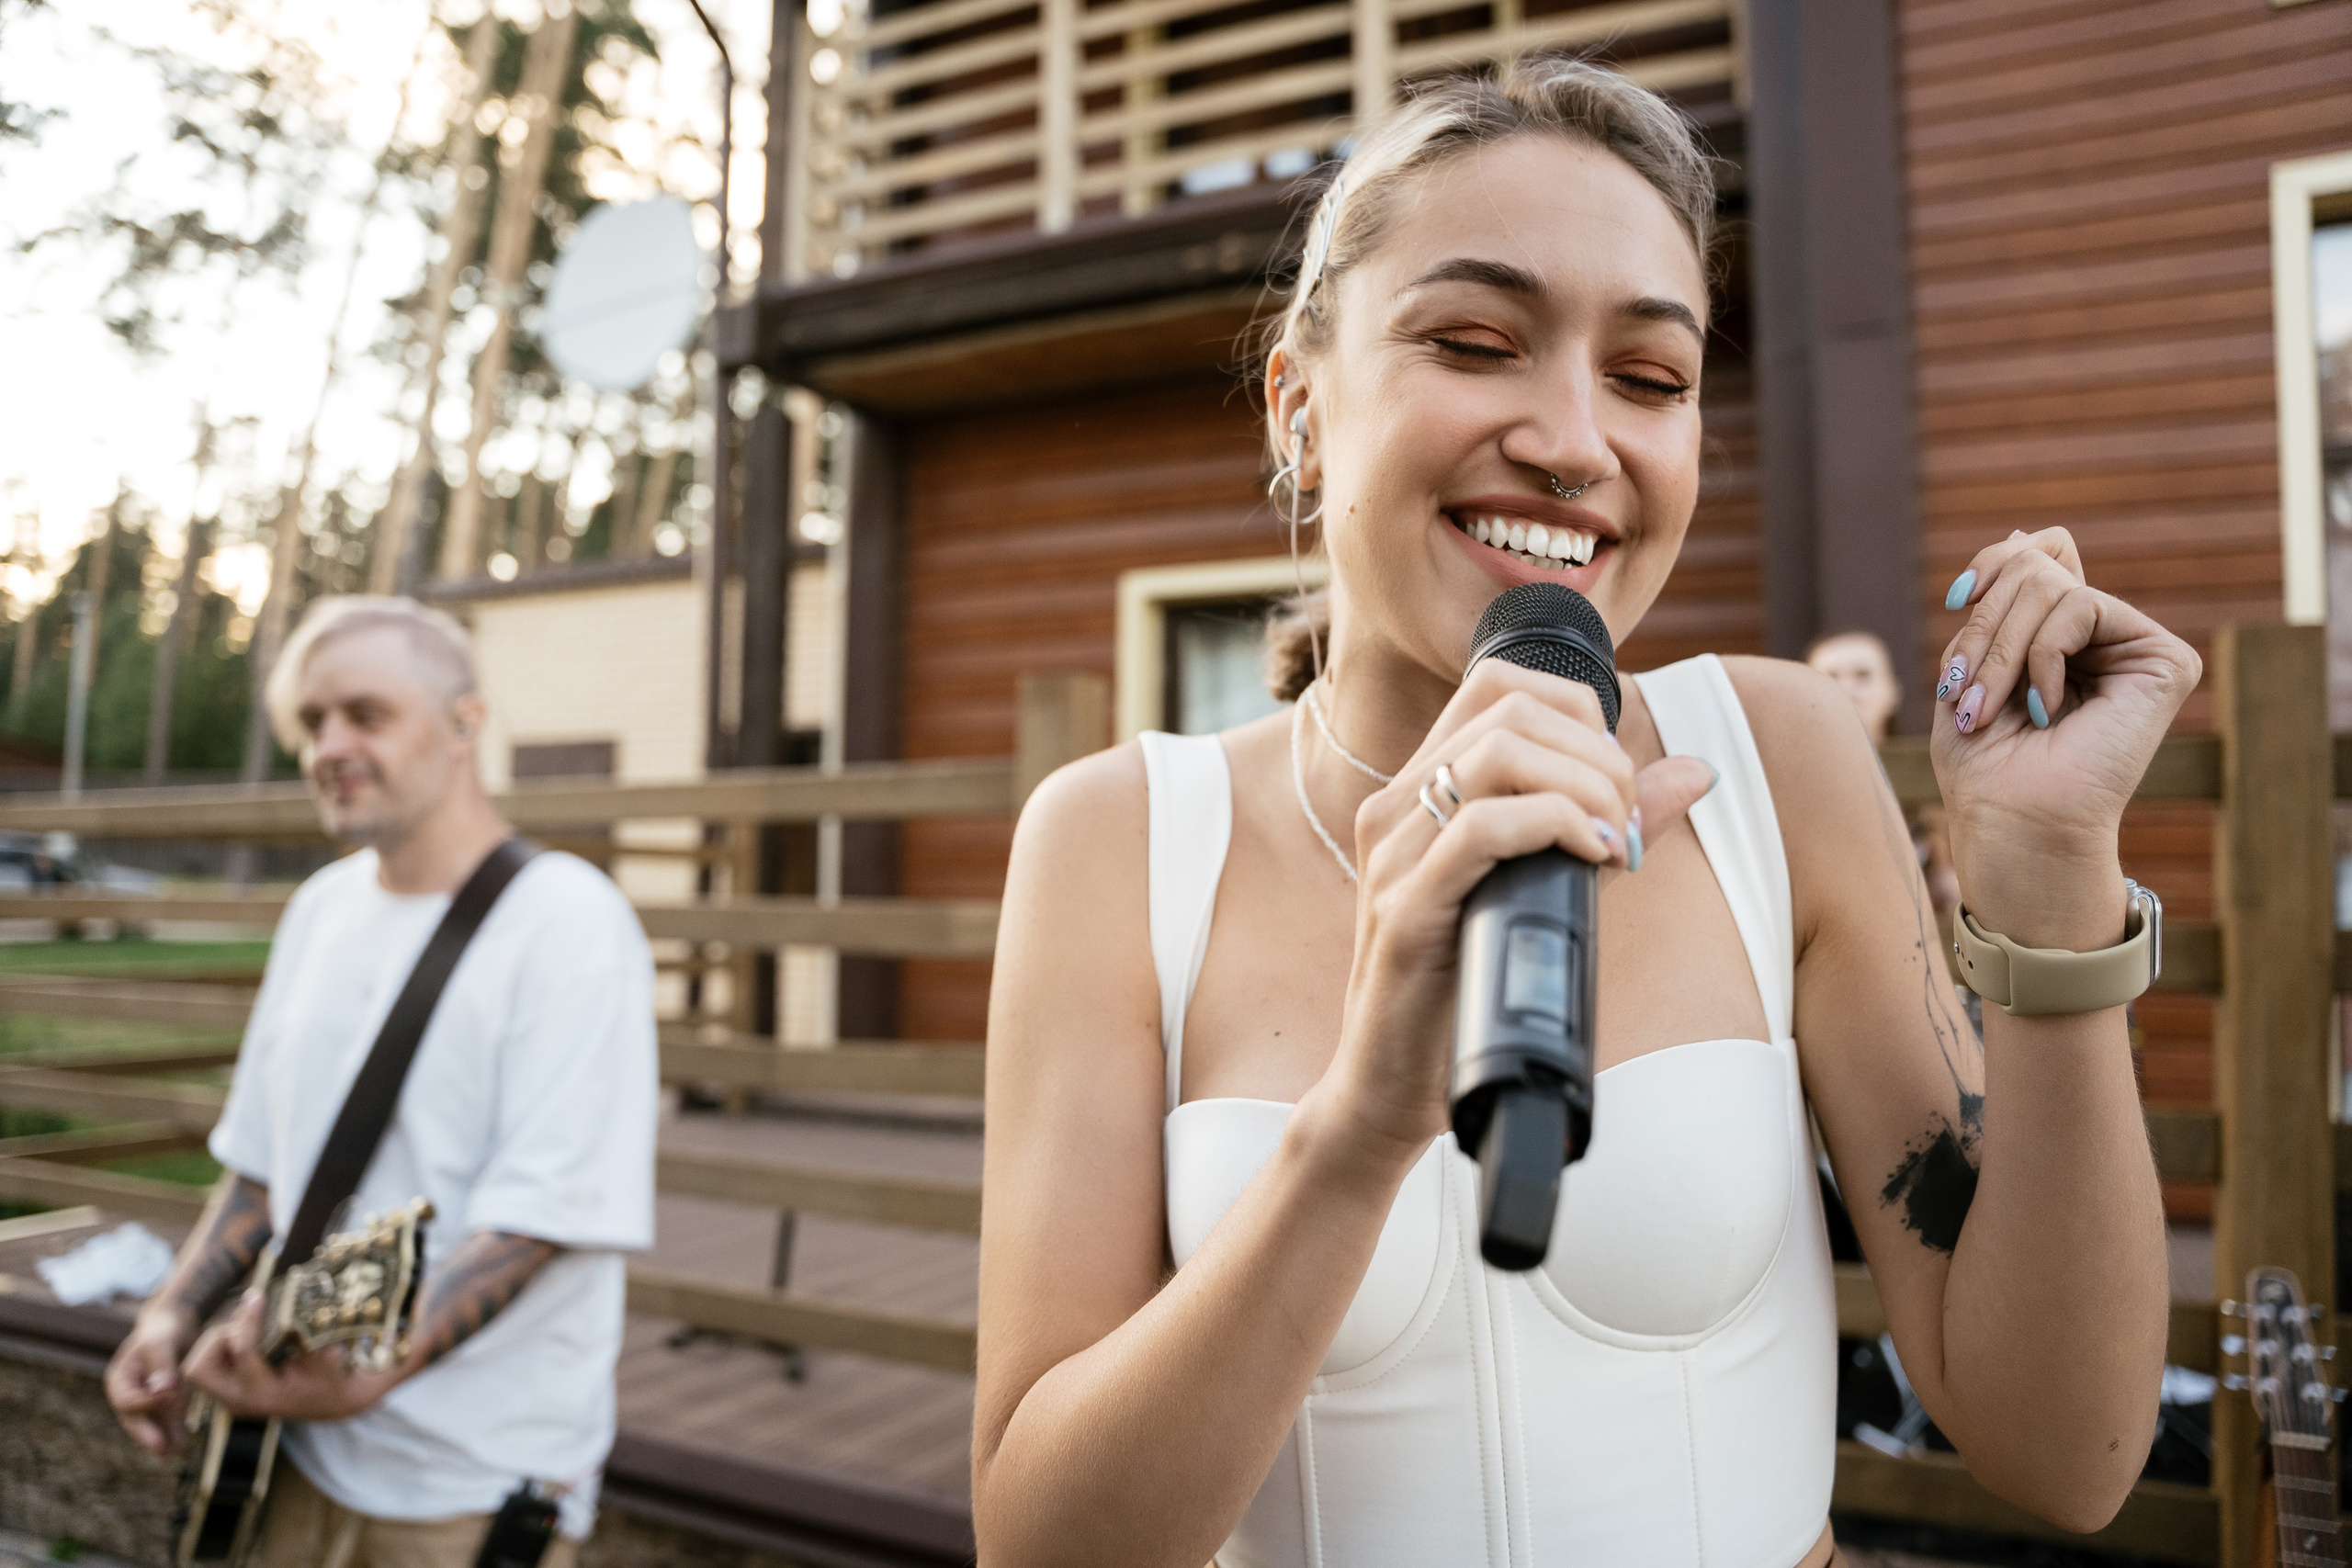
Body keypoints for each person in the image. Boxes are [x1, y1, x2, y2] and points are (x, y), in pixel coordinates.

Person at [973, 53, 2198, 1568]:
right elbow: (1041, 1544)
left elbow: (2066, 1453)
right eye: (1478, 341)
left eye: (1650, 376)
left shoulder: (1780, 761)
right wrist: (1357, 1129)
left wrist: (2054, 884)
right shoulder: (1121, 843)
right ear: (1300, 406)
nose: (1574, 439)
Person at [103, 595, 658, 1566]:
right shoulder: (318, 910)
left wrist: (366, 1379)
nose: (328, 745)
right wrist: (170, 1315)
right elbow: (263, 1172)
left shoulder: (568, 922)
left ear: (464, 724)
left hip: (470, 1487)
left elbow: (540, 1218)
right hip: (283, 1459)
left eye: (366, 714)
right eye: (312, 722)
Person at [1805, 628, 1962, 919]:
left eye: (1863, 676)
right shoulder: (1789, 791)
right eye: (1830, 677)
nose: (1847, 689)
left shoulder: (1934, 792)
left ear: (1892, 692)